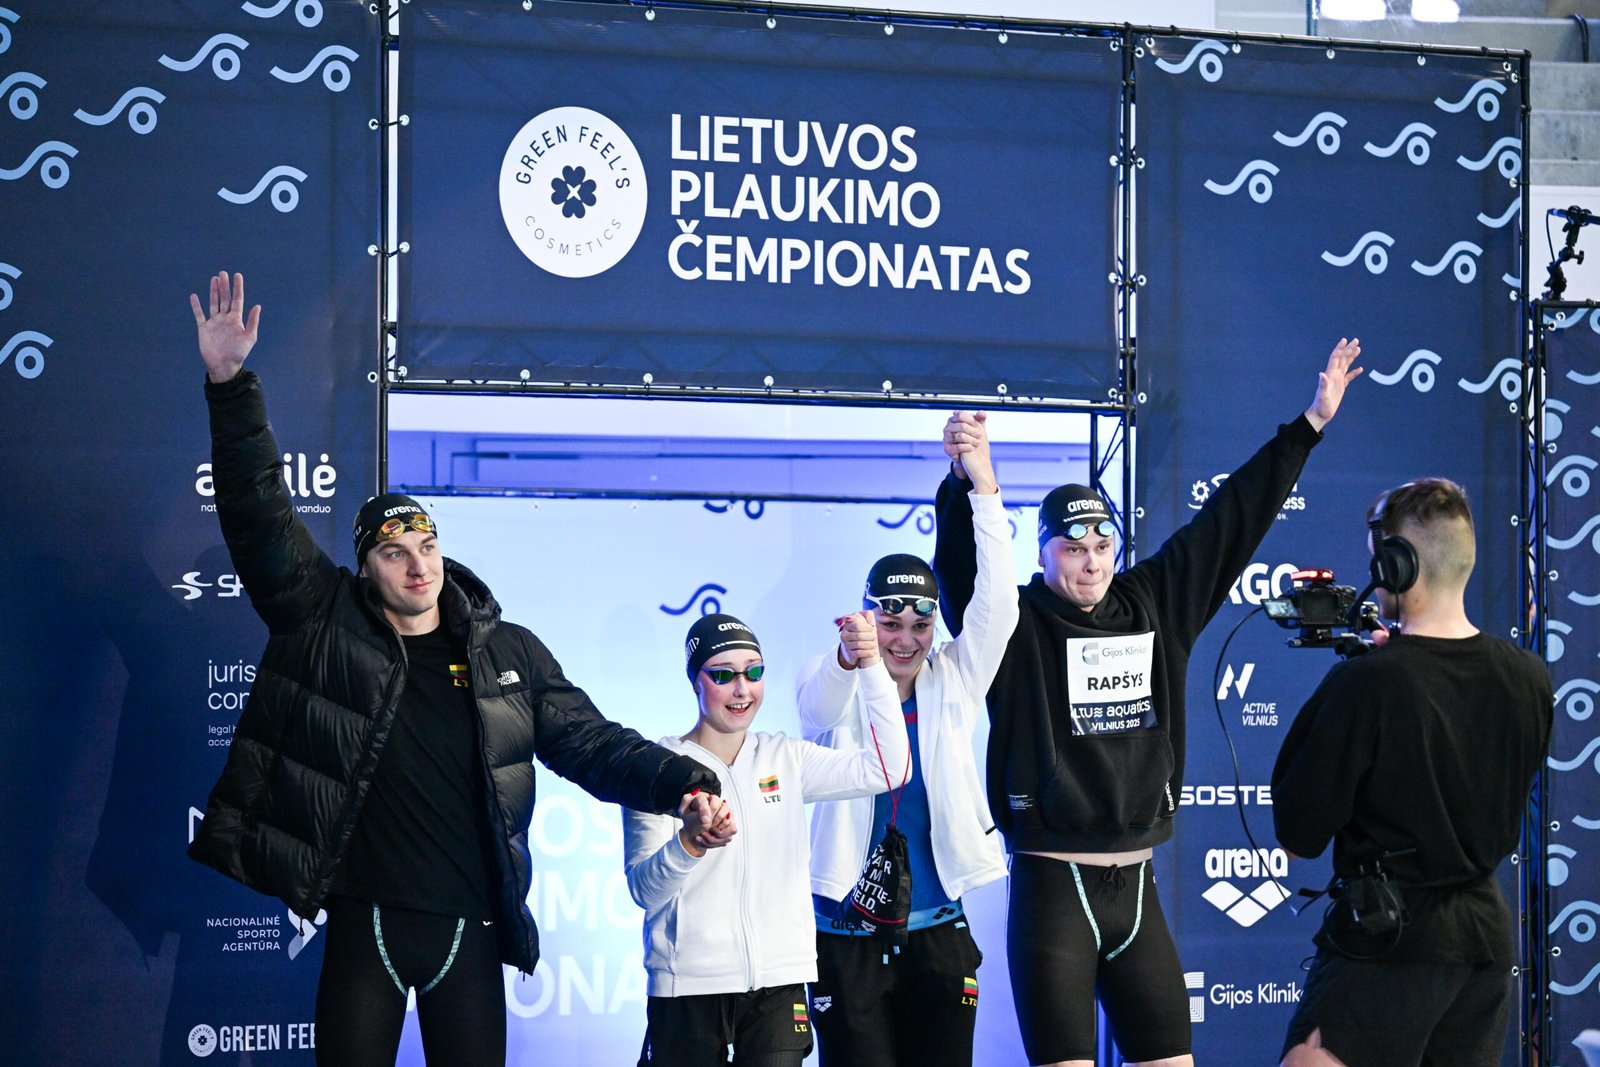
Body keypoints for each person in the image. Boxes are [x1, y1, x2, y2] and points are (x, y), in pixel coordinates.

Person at [185, 271, 724, 1067]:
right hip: (367, 923)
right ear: (366, 568)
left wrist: (684, 780)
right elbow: (259, 512)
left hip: (469, 930)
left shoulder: (508, 652)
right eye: (395, 553)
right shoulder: (324, 621)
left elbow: (593, 743)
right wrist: (231, 385)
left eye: (427, 546)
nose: (418, 566)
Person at [933, 339, 1365, 1067]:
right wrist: (964, 482)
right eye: (1072, 547)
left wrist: (1310, 425)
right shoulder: (1012, 623)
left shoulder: (1154, 602)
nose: (1091, 560)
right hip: (1053, 889)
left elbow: (1230, 519)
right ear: (1042, 553)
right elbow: (961, 573)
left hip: (1137, 887)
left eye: (1102, 544)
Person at [1272, 478, 1553, 1067]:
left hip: (1390, 941)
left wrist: (1361, 687)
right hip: (1484, 943)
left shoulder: (1368, 684)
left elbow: (1298, 836)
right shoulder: (1529, 678)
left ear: (1397, 566)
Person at [798, 412, 1018, 1066]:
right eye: (889, 622)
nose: (904, 639)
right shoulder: (832, 675)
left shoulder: (954, 678)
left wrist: (984, 487)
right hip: (844, 933)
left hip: (937, 931)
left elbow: (999, 606)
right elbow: (817, 706)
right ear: (867, 616)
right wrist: (852, 656)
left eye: (920, 625)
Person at [623, 612, 911, 1067]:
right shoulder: (655, 769)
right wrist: (690, 843)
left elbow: (890, 768)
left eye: (754, 673)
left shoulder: (786, 758)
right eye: (723, 675)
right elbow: (644, 890)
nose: (742, 690)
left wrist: (871, 663)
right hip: (688, 989)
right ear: (694, 682)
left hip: (779, 986)